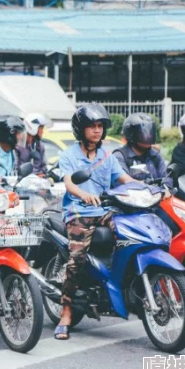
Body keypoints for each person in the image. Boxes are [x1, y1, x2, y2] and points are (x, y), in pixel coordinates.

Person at [55, 103, 136, 341]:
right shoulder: (69, 155)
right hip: (78, 212)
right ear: (81, 130)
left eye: (100, 126)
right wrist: (83, 194)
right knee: (77, 258)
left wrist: (145, 189)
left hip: (104, 209)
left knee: (130, 234)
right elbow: (69, 183)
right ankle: (66, 311)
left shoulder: (106, 156)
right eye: (92, 126)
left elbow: (123, 179)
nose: (97, 130)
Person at [112, 113, 170, 185]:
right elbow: (123, 183)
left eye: (150, 133)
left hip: (157, 195)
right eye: (142, 133)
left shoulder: (155, 156)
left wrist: (166, 188)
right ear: (131, 134)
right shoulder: (120, 156)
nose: (148, 136)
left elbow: (167, 179)